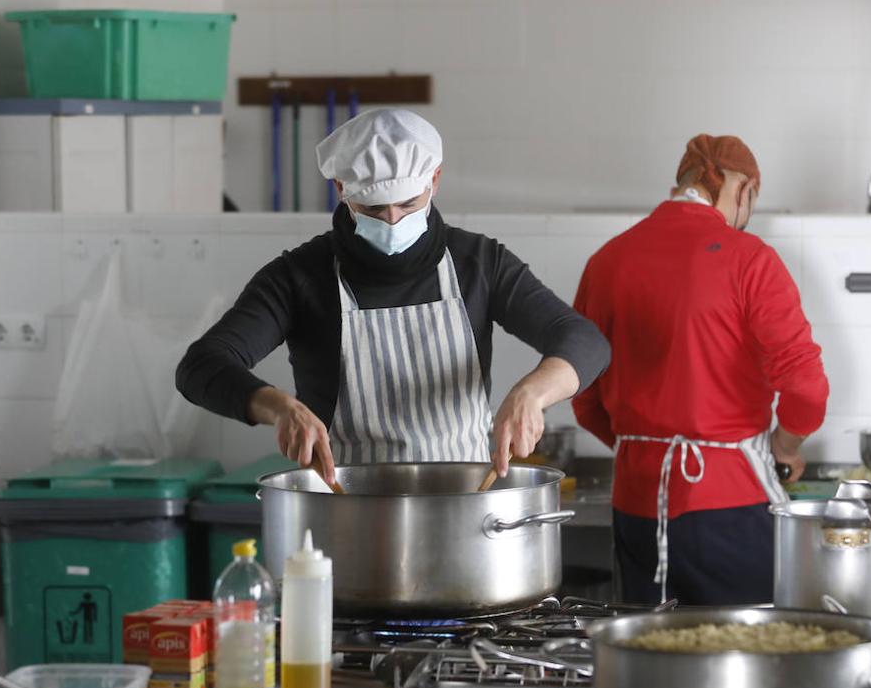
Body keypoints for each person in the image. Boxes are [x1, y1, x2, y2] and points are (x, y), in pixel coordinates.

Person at [177, 108, 609, 481]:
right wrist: (277, 406)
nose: (391, 221)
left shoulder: (478, 262)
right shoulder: (299, 277)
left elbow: (583, 339)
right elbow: (201, 365)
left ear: (435, 180)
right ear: (341, 190)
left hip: (463, 506)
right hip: (347, 515)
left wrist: (532, 393)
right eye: (373, 209)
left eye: (407, 204)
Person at [572, 134, 829, 606]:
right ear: (745, 189)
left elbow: (583, 396)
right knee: (745, 658)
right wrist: (784, 445)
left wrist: (644, 449)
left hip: (636, 507)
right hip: (731, 506)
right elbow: (806, 386)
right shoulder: (750, 259)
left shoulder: (606, 261)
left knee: (652, 659)